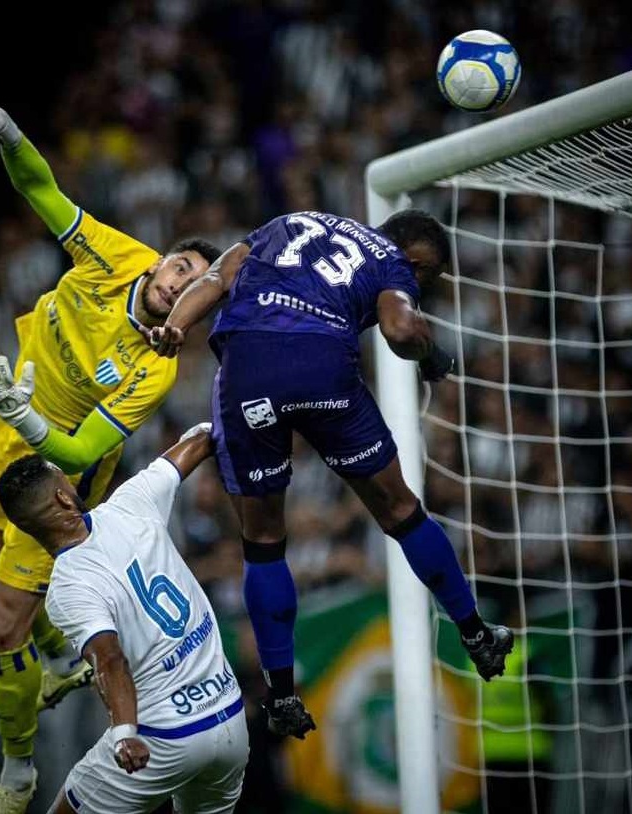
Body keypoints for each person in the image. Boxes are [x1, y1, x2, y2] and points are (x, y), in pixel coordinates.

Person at [143, 209, 515, 738]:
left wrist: (176, 326)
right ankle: (476, 633)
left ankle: (281, 696)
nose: (423, 284)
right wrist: (430, 355)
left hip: (249, 369)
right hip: (324, 368)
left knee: (264, 542)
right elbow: (402, 327)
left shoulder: (290, 222)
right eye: (427, 276)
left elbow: (215, 278)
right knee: (402, 512)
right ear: (415, 258)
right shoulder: (391, 261)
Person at [0, 99, 220, 812]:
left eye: (194, 287)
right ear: (164, 259)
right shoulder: (118, 257)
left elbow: (81, 448)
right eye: (179, 267)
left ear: (195, 308)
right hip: (2, 427)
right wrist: (10, 133)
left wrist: (26, 416)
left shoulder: (156, 369)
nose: (175, 283)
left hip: (58, 473)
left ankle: (18, 776)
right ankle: (55, 652)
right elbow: (41, 192)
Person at [0, 423, 249, 814]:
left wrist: (125, 732)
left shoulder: (68, 587)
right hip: (229, 717)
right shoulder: (131, 501)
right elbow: (196, 443)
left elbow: (109, 659)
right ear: (64, 498)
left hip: (162, 735)